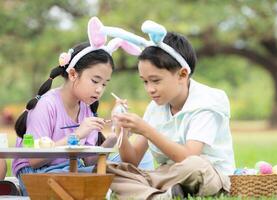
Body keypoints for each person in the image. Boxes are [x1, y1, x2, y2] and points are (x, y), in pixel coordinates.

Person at [12, 17, 154, 196]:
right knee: (106, 175)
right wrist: (78, 134)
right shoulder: (46, 104)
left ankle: (151, 190)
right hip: (37, 177)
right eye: (95, 81)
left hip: (72, 170)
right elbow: (35, 160)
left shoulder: (86, 107)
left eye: (104, 84)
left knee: (139, 160)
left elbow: (88, 160)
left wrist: (116, 134)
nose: (99, 89)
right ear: (72, 74)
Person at [108, 20, 235, 199]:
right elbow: (132, 160)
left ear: (182, 74)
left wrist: (146, 130)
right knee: (109, 170)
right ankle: (159, 196)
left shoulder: (207, 102)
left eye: (155, 80)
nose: (149, 89)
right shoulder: (155, 107)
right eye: (145, 81)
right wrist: (120, 129)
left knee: (194, 166)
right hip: (167, 174)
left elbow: (189, 157)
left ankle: (149, 190)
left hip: (206, 175)